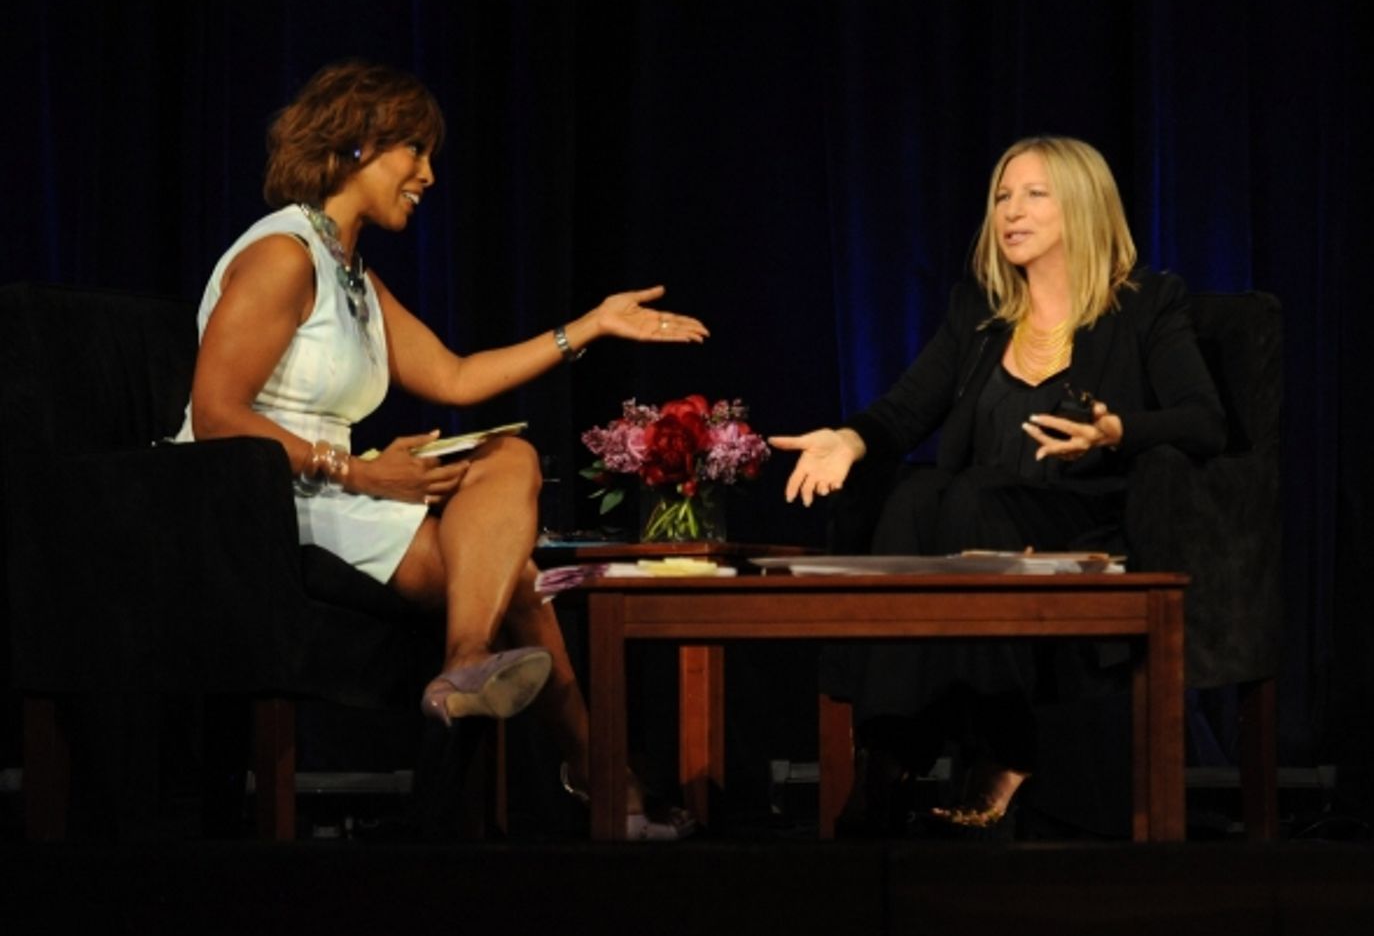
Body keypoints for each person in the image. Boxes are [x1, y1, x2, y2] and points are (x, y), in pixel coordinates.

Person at [176, 60, 706, 838]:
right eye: (412, 153)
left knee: (510, 458)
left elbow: (455, 378)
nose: (426, 175)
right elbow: (215, 413)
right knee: (514, 580)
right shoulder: (282, 256)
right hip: (251, 499)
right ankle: (598, 779)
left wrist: (587, 327)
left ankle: (474, 676)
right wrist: (359, 470)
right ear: (356, 148)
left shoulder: (347, 267)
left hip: (333, 487)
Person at [770, 135, 1225, 835]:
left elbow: (1203, 423)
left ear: (1082, 205)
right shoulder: (978, 312)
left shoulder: (1147, 306)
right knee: (917, 494)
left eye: (1034, 194)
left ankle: (1008, 749)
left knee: (966, 498)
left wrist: (1114, 432)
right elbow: (903, 410)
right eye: (1003, 197)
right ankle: (888, 756)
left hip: (1082, 515)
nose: (1011, 211)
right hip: (973, 514)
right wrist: (850, 439)